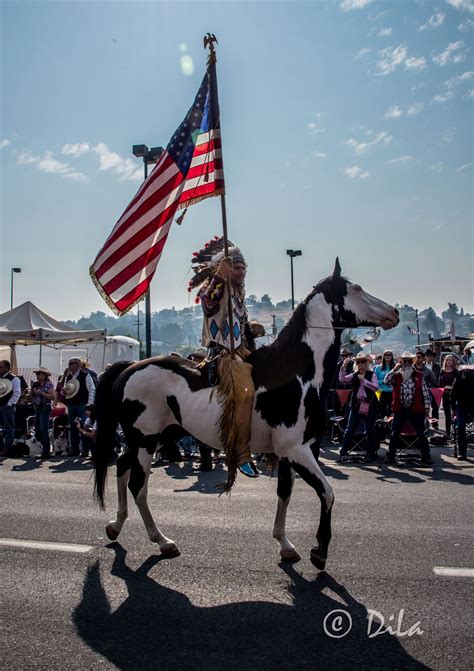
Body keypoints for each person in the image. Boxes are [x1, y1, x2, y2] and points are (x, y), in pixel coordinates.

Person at [189, 236, 258, 488]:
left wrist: (252, 329)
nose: (240, 272)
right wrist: (219, 275)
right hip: (221, 355)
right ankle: (240, 454)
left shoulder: (239, 297)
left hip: (242, 352)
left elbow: (240, 328)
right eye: (236, 268)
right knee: (245, 392)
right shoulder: (215, 288)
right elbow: (208, 306)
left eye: (242, 268)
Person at [383, 352, 433, 465]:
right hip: (400, 409)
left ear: (412, 363)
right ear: (401, 362)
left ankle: (426, 456)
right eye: (404, 361)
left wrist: (426, 407)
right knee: (394, 433)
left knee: (421, 433)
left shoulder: (419, 375)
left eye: (408, 361)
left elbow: (425, 392)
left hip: (415, 409)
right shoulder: (396, 376)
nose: (406, 363)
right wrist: (395, 368)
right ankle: (390, 455)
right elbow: (386, 381)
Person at [338, 352, 379, 463]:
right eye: (359, 362)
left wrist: (364, 381)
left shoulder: (372, 374)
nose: (361, 364)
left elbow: (376, 388)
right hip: (356, 405)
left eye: (363, 362)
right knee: (350, 429)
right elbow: (343, 379)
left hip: (369, 405)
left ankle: (371, 453)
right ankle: (343, 452)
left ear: (366, 363)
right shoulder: (354, 374)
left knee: (369, 429)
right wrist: (343, 366)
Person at [59, 357, 95, 456]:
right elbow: (64, 390)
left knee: (84, 426)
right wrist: (63, 391)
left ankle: (85, 449)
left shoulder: (86, 375)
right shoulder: (68, 377)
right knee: (73, 427)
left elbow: (92, 389)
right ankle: (74, 449)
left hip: (82, 404)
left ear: (78, 365)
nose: (70, 365)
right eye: (69, 363)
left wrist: (89, 404)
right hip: (71, 404)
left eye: (72, 363)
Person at [30, 367, 55, 459]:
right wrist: (32, 392)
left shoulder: (48, 384)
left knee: (44, 429)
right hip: (38, 407)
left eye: (39, 374)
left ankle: (46, 451)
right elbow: (31, 397)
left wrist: (42, 393)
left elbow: (52, 396)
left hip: (45, 407)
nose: (37, 376)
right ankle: (41, 448)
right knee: (37, 429)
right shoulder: (36, 385)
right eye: (37, 374)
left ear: (45, 375)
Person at [451, 368, 474, 460]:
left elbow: (453, 394)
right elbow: (453, 394)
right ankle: (462, 452)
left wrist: (453, 408)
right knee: (460, 426)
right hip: (462, 404)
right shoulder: (459, 377)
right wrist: (453, 408)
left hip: (465, 404)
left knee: (460, 427)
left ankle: (462, 453)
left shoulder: (460, 376)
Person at [0, 360, 21, 456]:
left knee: (9, 428)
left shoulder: (14, 378)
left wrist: (9, 404)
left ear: (6, 368)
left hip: (7, 406)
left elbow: (17, 393)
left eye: (1, 367)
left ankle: (7, 449)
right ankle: (1, 447)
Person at [438, 355, 458, 439]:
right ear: (445, 361)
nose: (449, 362)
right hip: (445, 395)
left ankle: (455, 432)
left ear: (453, 362)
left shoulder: (456, 372)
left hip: (454, 395)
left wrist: (451, 387)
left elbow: (459, 384)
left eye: (450, 360)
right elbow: (439, 384)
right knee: (447, 415)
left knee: (455, 414)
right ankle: (448, 433)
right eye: (447, 360)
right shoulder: (442, 371)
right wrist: (443, 388)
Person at [374, 350, 395, 418]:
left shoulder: (395, 367)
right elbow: (374, 381)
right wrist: (383, 381)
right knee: (381, 411)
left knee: (391, 411)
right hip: (380, 391)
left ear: (392, 356)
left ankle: (390, 427)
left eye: (389, 355)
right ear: (383, 357)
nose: (387, 356)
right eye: (385, 355)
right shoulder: (378, 368)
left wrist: (391, 382)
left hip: (392, 392)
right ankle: (381, 426)